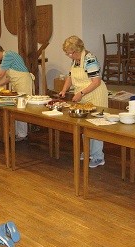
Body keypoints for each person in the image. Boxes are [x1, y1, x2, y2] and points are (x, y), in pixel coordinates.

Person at [59, 35, 108, 168]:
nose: (69, 55)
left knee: (96, 126)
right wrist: (64, 90)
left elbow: (96, 82)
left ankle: (98, 156)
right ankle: (88, 152)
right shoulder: (75, 60)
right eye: (67, 53)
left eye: (70, 52)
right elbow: (70, 77)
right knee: (84, 125)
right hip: (84, 96)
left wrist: (80, 93)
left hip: (96, 94)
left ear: (77, 50)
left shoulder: (89, 59)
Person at [0, 44, 34, 141]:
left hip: (23, 82)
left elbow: (0, 74)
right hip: (18, 83)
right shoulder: (8, 56)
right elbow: (9, 78)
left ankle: (22, 134)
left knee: (21, 108)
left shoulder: (8, 56)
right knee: (16, 107)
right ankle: (17, 132)